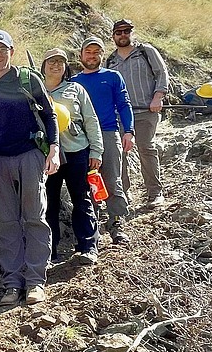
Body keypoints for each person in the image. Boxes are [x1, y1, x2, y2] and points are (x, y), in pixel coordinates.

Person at [0, 30, 60, 306]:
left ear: (12, 51)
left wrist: (54, 150)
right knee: (7, 223)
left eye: (3, 49)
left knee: (34, 217)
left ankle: (36, 281)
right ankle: (12, 284)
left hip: (30, 155)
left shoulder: (28, 79)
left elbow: (49, 116)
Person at [41, 48, 104, 266]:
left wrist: (96, 151)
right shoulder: (35, 90)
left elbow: (91, 120)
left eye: (60, 62)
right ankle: (49, 252)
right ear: (44, 65)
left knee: (82, 198)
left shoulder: (76, 89)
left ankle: (88, 246)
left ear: (66, 66)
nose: (56, 65)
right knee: (48, 203)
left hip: (77, 151)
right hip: (48, 156)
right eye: (51, 61)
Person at [73, 36, 135, 246]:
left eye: (96, 52)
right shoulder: (73, 83)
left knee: (112, 179)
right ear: (81, 55)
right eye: (88, 52)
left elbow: (124, 105)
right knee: (86, 183)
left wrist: (129, 131)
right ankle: (92, 228)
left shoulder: (113, 77)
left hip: (108, 133)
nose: (92, 56)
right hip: (82, 138)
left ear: (102, 54)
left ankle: (117, 223)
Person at [104, 19, 170, 207]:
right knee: (119, 153)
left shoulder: (146, 52)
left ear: (132, 33)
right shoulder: (110, 61)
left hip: (145, 111)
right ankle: (123, 193)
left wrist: (158, 97)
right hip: (120, 115)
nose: (123, 35)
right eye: (119, 32)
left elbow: (162, 74)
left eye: (127, 31)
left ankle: (155, 193)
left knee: (146, 148)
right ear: (113, 36)